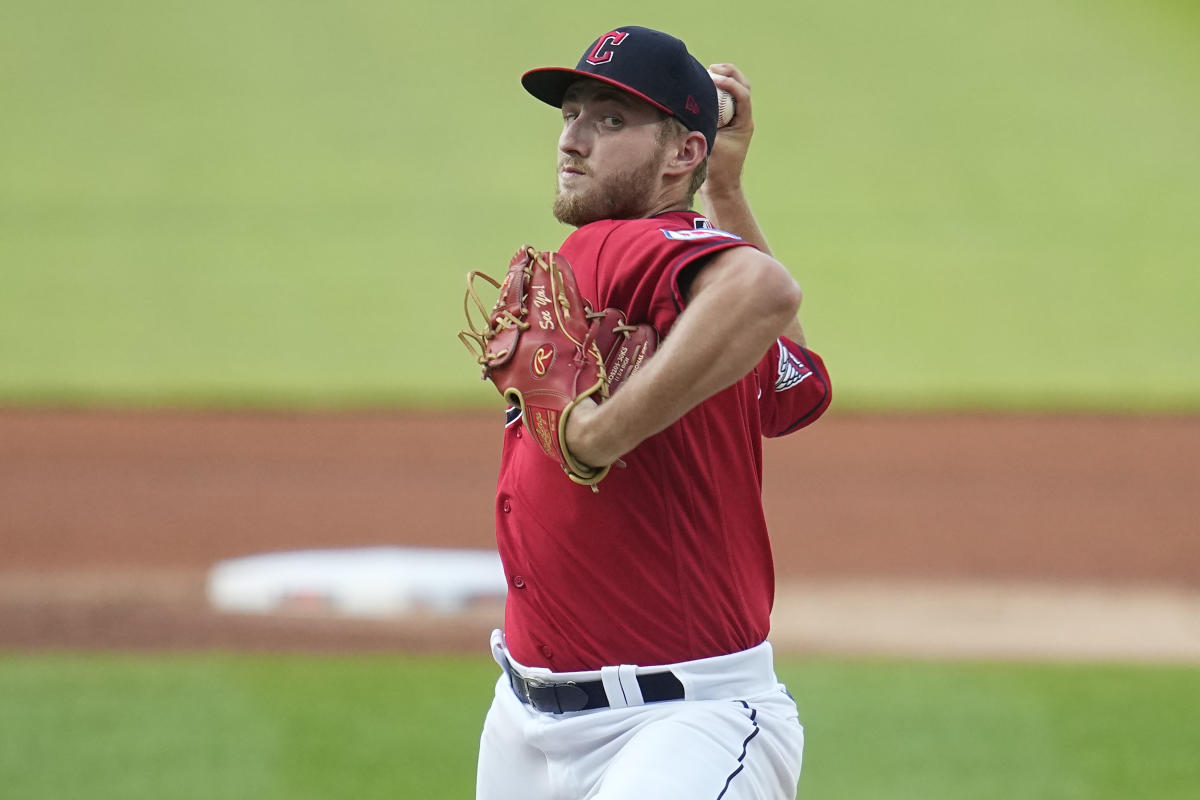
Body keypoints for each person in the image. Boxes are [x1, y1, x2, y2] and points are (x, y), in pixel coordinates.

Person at [474, 25, 832, 800]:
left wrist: (601, 433)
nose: (572, 140)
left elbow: (767, 293)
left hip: (680, 727)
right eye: (570, 113)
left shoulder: (616, 246)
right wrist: (729, 193)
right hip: (527, 725)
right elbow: (795, 388)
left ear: (681, 154)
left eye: (610, 121)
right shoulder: (683, 273)